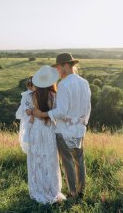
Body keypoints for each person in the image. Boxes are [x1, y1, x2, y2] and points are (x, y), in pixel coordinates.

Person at [33, 53, 91, 199]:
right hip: (79, 128)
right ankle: (81, 190)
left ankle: (72, 193)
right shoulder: (84, 82)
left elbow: (61, 111)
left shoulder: (64, 84)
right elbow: (88, 107)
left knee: (68, 162)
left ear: (66, 66)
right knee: (79, 160)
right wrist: (82, 123)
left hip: (64, 130)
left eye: (59, 68)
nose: (58, 71)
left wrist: (42, 114)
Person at [20, 65, 66, 204]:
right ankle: (52, 189)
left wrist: (31, 113)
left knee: (36, 158)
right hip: (49, 129)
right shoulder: (55, 96)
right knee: (50, 158)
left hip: (35, 129)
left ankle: (38, 188)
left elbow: (24, 113)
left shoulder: (30, 96)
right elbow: (59, 114)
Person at [16, 76, 35, 153]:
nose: (30, 88)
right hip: (28, 117)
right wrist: (27, 109)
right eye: (29, 86)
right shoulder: (26, 95)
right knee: (28, 131)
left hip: (36, 115)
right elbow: (25, 106)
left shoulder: (37, 94)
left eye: (31, 86)